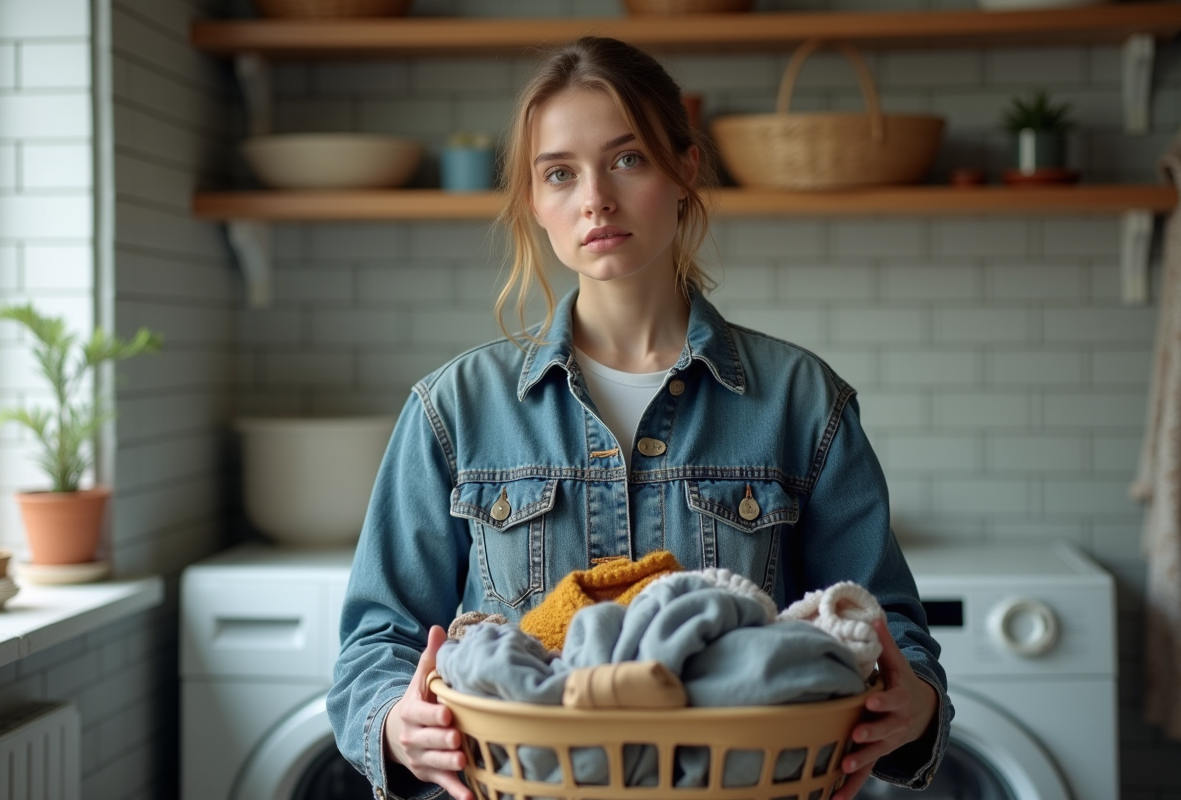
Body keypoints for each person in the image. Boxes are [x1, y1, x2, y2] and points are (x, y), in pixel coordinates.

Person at [327, 35, 952, 800]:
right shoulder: (453, 409)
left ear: (684, 168)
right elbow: (375, 642)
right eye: (560, 173)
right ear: (535, 202)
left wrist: (912, 703)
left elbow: (887, 628)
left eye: (628, 159)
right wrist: (395, 721)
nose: (595, 198)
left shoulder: (802, 402)